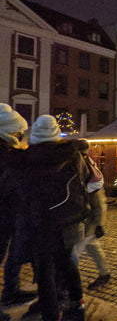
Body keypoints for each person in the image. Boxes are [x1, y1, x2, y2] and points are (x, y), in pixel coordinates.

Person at [21, 115, 90, 321]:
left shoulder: (27, 157)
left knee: (44, 270)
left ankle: (51, 313)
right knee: (66, 261)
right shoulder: (72, 153)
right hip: (69, 219)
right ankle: (77, 302)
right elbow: (85, 177)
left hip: (41, 220)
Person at [0, 105, 35, 320]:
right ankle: (10, 293)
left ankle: (11, 291)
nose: (20, 136)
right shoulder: (6, 154)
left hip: (12, 214)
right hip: (4, 213)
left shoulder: (10, 152)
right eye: (17, 132)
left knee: (14, 254)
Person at [76, 140, 111, 290]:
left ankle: (65, 283)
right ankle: (105, 273)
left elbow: (98, 201)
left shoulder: (85, 167)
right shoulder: (87, 163)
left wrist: (99, 224)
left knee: (74, 251)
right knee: (92, 246)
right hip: (88, 219)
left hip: (88, 221)